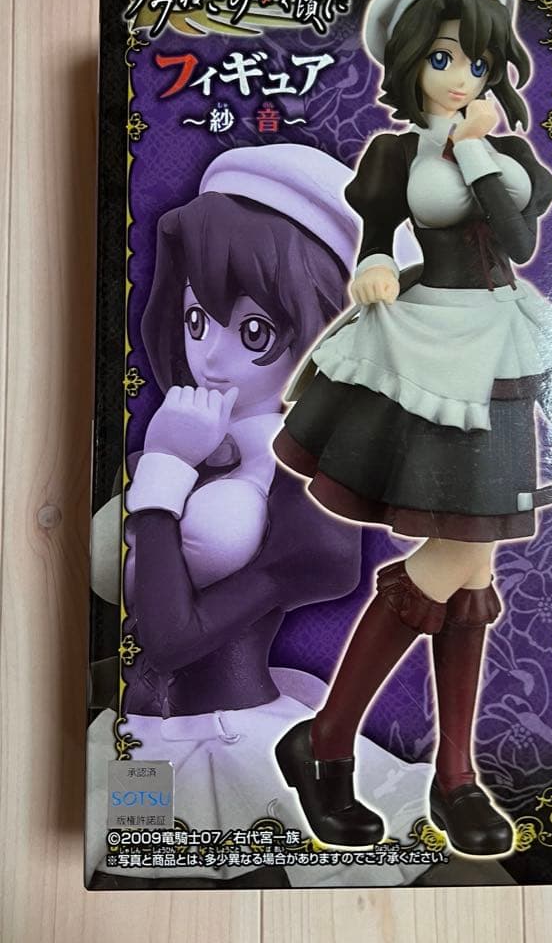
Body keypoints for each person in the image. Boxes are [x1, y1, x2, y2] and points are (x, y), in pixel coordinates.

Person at [273, 0, 552, 857]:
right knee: (464, 559)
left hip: (495, 352)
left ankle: (400, 761)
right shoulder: (395, 154)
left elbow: (515, 236)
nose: (460, 76)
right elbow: (376, 234)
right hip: (423, 348)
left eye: (475, 60)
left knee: (472, 566)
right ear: (409, 64)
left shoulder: (508, 157)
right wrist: (373, 265)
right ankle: (372, 758)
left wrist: (473, 144)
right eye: (441, 59)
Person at [86, 145, 431, 888]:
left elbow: (172, 638)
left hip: (231, 744)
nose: (209, 359)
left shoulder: (303, 490)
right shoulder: (187, 442)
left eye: (254, 334)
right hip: (139, 736)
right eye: (196, 318)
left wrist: (164, 476)